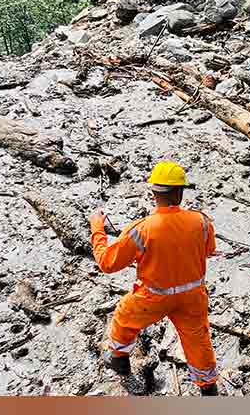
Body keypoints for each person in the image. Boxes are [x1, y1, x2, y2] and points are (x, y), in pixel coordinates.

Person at [88, 160, 220, 396]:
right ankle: (208, 387)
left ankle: (118, 358)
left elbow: (107, 263)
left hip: (153, 298)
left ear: (153, 193)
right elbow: (209, 250)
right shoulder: (201, 221)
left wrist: (97, 228)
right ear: (180, 192)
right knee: (198, 341)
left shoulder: (141, 229)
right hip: (192, 297)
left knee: (124, 317)